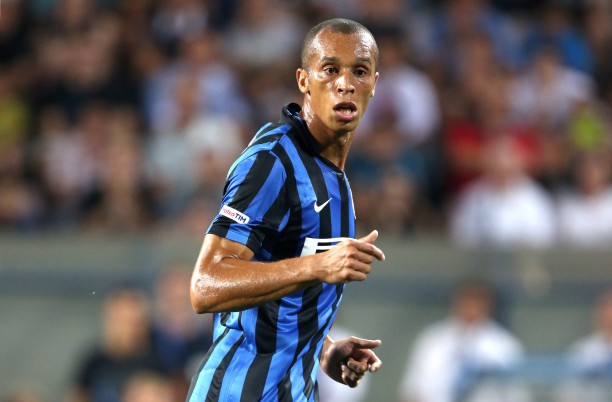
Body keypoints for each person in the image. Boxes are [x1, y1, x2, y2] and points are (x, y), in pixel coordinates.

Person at [187, 18, 385, 402]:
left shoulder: (334, 175)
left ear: (374, 84)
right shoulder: (272, 161)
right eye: (330, 70)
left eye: (359, 72)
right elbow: (205, 285)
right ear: (304, 80)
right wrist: (318, 266)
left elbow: (279, 290)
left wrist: (324, 349)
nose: (345, 83)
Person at [398, 280, 527, 402]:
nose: (470, 306)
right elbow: (411, 390)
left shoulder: (504, 345)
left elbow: (518, 395)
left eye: (477, 300)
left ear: (488, 305)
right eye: (466, 299)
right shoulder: (432, 339)